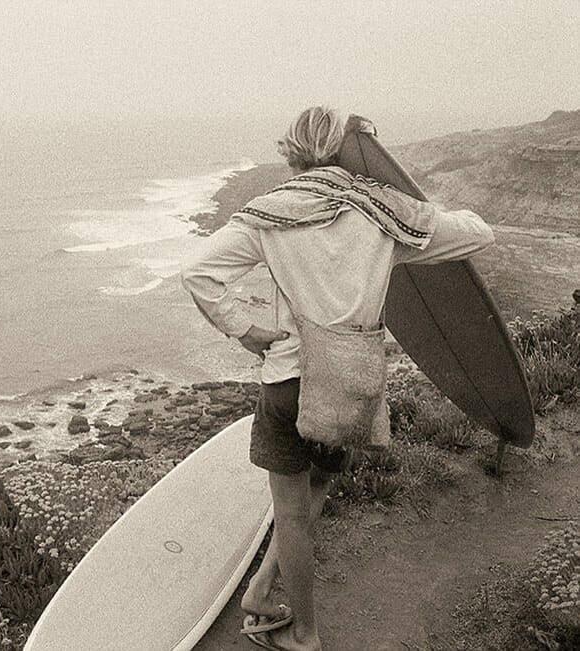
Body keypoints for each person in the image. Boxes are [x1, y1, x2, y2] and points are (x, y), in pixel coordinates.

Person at [180, 106, 495, 651]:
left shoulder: (268, 216)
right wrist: (414, 200)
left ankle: (304, 634)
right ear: (347, 151)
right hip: (353, 384)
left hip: (289, 383)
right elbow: (477, 234)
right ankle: (259, 590)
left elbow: (198, 273)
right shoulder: (382, 215)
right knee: (319, 485)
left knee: (291, 512)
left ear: (292, 150)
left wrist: (246, 329)